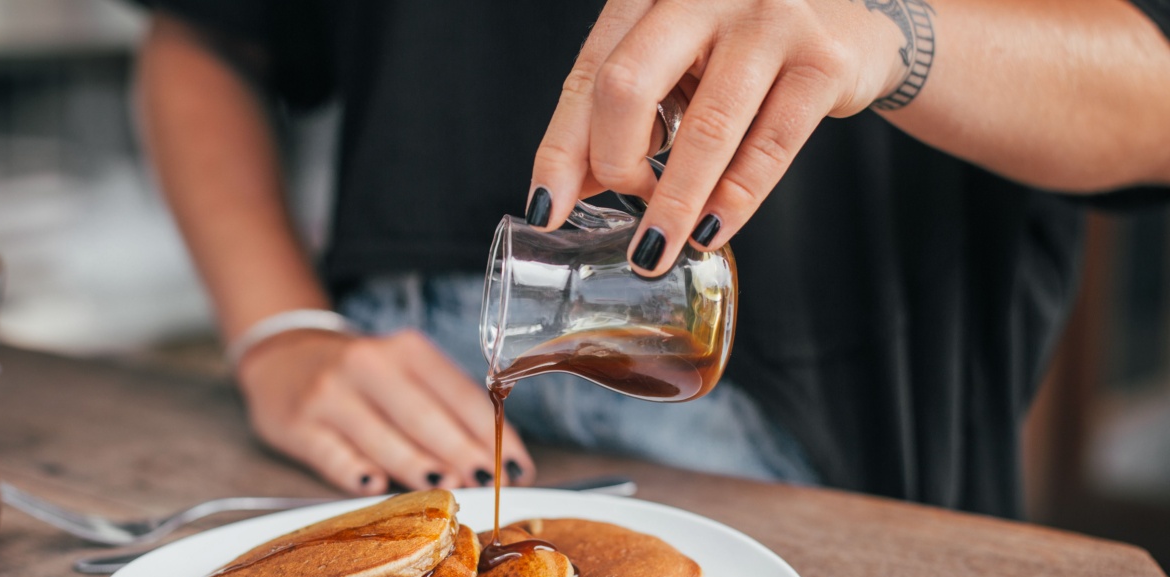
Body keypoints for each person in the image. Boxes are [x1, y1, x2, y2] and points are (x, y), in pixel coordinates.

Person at [134, 0, 1170, 518]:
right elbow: (208, 36)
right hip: (390, 409)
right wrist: (280, 328)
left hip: (827, 463)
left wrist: (884, 35)